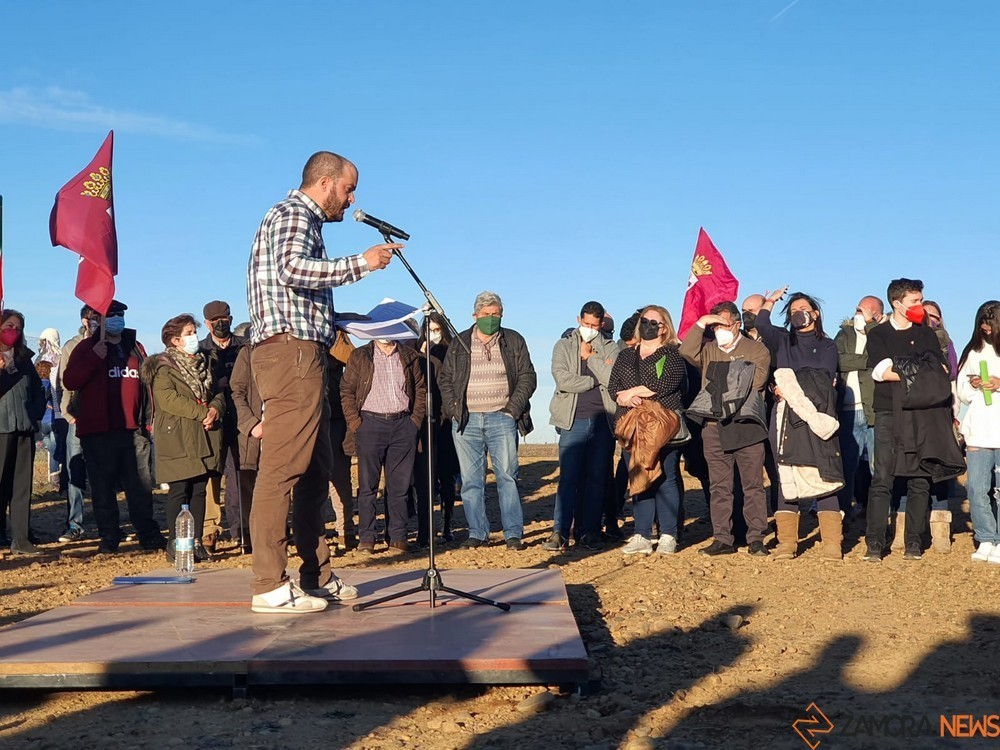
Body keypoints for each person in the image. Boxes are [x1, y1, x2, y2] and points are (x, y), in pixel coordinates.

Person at [246, 150, 397, 614]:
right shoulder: (294, 214)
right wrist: (363, 264)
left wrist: (347, 319)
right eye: (349, 189)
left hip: (306, 349)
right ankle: (270, 584)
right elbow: (293, 269)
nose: (351, 199)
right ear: (327, 182)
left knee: (315, 466)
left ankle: (316, 576)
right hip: (289, 353)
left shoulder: (300, 220)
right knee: (283, 467)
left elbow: (295, 290)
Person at [862, 278, 964, 563]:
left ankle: (914, 542)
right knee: (882, 477)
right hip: (887, 412)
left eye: (920, 300)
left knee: (920, 478)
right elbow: (882, 372)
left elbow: (940, 370)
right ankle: (874, 542)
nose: (920, 306)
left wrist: (905, 369)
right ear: (897, 303)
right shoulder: (878, 334)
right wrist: (919, 371)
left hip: (924, 414)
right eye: (914, 301)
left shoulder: (927, 334)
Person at [62, 300, 165, 554]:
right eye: (111, 315)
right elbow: (71, 380)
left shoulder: (136, 348)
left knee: (140, 486)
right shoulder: (87, 347)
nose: (117, 319)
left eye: (120, 315)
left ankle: (148, 534)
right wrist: (93, 357)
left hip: (133, 429)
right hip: (98, 432)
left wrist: (148, 420)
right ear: (100, 320)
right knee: (103, 488)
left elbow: (147, 386)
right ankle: (109, 536)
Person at [438, 291, 537, 550]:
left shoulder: (513, 341)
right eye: (486, 315)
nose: (491, 319)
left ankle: (513, 533)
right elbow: (445, 379)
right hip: (466, 421)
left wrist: (511, 410)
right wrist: (454, 409)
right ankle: (477, 532)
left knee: (507, 477)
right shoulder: (459, 342)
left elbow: (528, 376)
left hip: (502, 418)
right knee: (471, 481)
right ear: (475, 315)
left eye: (496, 315)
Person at [756, 289, 843, 560]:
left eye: (803, 308)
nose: (798, 313)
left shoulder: (828, 345)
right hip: (784, 417)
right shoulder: (782, 340)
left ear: (815, 314)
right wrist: (769, 302)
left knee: (824, 473)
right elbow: (761, 325)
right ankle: (787, 544)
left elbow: (822, 379)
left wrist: (787, 384)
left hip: (817, 414)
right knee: (786, 473)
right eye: (793, 310)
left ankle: (832, 544)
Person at [680, 301, 772, 556]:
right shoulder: (708, 349)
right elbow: (686, 352)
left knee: (752, 485)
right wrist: (701, 324)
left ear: (737, 324)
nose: (720, 329)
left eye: (724, 324)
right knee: (719, 486)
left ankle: (756, 538)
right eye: (715, 325)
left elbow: (755, 381)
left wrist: (720, 377)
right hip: (714, 425)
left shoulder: (756, 349)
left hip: (746, 424)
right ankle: (723, 538)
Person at [142, 315, 227, 563]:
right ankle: (177, 544)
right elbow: (168, 400)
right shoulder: (163, 367)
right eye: (189, 333)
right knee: (180, 490)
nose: (194, 338)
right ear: (175, 340)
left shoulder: (207, 362)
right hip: (178, 436)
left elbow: (219, 391)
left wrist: (215, 410)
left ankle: (197, 541)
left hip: (205, 434)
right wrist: (203, 412)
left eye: (194, 332)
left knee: (200, 489)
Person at [608, 305, 686, 555]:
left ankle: (668, 535)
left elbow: (664, 384)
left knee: (666, 478)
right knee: (639, 476)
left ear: (665, 328)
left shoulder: (672, 354)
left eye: (656, 322)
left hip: (663, 427)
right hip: (632, 427)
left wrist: (632, 392)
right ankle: (641, 534)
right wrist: (626, 398)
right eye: (646, 321)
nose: (649, 326)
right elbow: (614, 386)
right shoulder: (626, 355)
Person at [545, 301, 620, 553]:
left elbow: (613, 380)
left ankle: (590, 531)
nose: (589, 328)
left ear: (601, 325)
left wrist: (591, 359)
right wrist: (595, 379)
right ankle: (560, 532)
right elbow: (563, 379)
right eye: (585, 323)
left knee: (597, 479)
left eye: (594, 325)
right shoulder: (564, 345)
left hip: (603, 421)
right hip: (572, 420)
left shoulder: (611, 348)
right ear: (579, 319)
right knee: (568, 479)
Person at [340, 336, 426, 553]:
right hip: (369, 424)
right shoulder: (360, 355)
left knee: (399, 487)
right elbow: (347, 391)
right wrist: (356, 423)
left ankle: (398, 536)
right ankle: (367, 539)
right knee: (368, 486)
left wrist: (414, 422)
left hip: (402, 425)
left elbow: (421, 390)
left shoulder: (409, 356)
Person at [198, 300, 247, 553]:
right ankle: (210, 531)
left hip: (241, 419)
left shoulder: (244, 347)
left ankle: (242, 531)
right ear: (207, 323)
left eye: (224, 318)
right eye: (215, 320)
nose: (221, 323)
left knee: (240, 476)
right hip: (212, 420)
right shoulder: (201, 350)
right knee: (211, 477)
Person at [956, 301, 1000, 563]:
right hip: (980, 430)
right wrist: (973, 383)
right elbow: (961, 390)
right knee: (977, 488)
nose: (985, 329)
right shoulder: (972, 351)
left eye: (990, 324)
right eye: (982, 325)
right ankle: (986, 538)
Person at [0, 311, 46, 554]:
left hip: (24, 427)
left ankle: (21, 539)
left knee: (21, 487)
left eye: (18, 327)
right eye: (9, 325)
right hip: (1, 428)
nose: (14, 331)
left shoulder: (24, 359)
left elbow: (38, 391)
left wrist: (35, 413)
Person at [413, 312, 460, 545]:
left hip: (445, 421)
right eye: (428, 328)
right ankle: (425, 529)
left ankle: (447, 524)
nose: (432, 333)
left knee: (446, 476)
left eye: (436, 329)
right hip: (424, 421)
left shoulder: (451, 351)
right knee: (424, 477)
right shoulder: (416, 351)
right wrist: (421, 356)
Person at [834, 296, 883, 519]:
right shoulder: (844, 334)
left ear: (877, 315)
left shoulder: (883, 335)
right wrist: (866, 360)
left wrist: (873, 328)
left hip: (875, 410)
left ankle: (880, 517)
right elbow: (838, 360)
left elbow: (882, 357)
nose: (858, 314)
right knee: (846, 467)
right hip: (848, 411)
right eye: (857, 309)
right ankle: (843, 513)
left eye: (864, 311)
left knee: (878, 468)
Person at [54, 306, 98, 543]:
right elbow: (65, 382)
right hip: (77, 419)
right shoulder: (71, 346)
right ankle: (74, 523)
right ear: (84, 320)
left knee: (104, 473)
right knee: (75, 473)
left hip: (104, 420)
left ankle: (108, 523)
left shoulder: (113, 345)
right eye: (94, 318)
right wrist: (70, 415)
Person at [228, 343, 260, 554]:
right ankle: (247, 534)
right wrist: (250, 424)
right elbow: (237, 391)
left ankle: (276, 532)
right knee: (247, 484)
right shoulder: (248, 352)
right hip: (252, 431)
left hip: (282, 427)